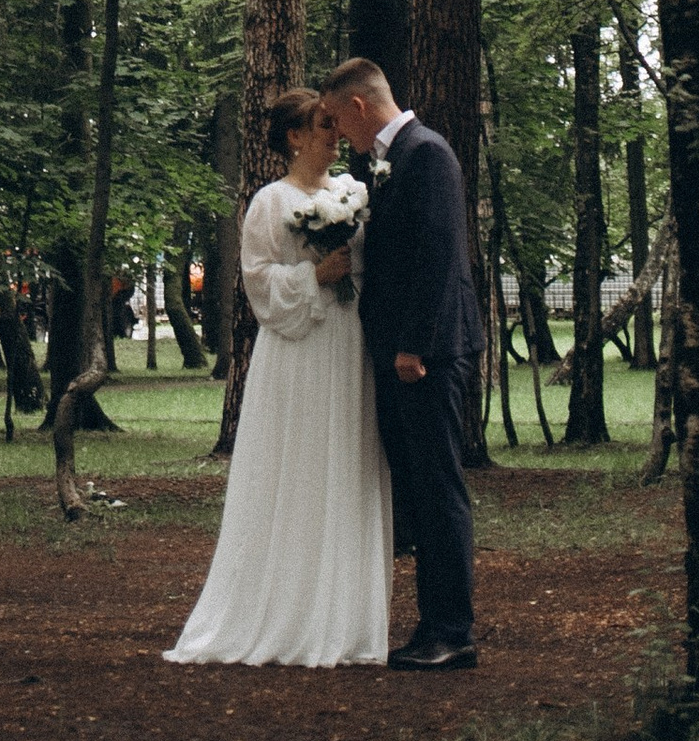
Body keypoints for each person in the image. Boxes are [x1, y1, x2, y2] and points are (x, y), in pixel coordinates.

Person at [165, 90, 391, 668]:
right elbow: (258, 284)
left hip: (346, 341)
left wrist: (352, 271)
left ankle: (343, 615)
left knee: (346, 463)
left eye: (335, 124)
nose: (334, 133)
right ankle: (285, 610)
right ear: (294, 137)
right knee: (299, 466)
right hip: (298, 348)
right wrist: (316, 275)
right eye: (322, 125)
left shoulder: (351, 193)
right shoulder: (270, 202)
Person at [320, 55, 481, 671]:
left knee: (439, 489)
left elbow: (437, 257)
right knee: (417, 489)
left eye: (338, 121)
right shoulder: (391, 162)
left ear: (359, 107)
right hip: (403, 353)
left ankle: (452, 630)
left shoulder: (426, 153)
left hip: (429, 353)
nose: (337, 135)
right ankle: (433, 626)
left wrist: (413, 346)